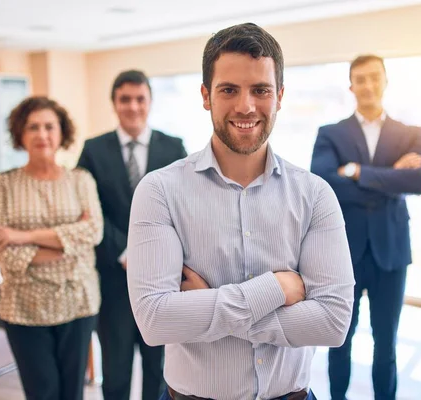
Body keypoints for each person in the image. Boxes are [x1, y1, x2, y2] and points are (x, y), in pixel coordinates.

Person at [126, 23, 355, 400]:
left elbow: (332, 323)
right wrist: (276, 289)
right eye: (229, 89)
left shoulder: (315, 195)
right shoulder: (159, 191)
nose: (245, 106)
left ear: (279, 96)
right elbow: (155, 321)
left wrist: (209, 305)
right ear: (206, 95)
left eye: (260, 90)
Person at [310, 54, 421, 400]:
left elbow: (419, 180)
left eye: (374, 78)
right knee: (340, 339)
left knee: (386, 344)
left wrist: (358, 172)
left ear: (385, 81)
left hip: (391, 252)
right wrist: (392, 177)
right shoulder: (330, 133)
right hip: (345, 251)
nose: (368, 85)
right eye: (360, 79)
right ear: (351, 86)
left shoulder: (410, 134)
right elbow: (325, 183)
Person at [76, 69, 187, 400]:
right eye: (125, 99)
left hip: (161, 281)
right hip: (113, 280)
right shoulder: (93, 150)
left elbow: (183, 210)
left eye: (140, 99)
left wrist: (153, 257)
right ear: (114, 103)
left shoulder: (174, 148)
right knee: (116, 370)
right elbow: (89, 212)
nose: (133, 106)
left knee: (158, 367)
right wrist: (126, 253)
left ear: (150, 102)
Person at [0, 96, 103, 400]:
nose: (42, 134)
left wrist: (23, 236)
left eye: (49, 126)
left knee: (72, 393)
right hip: (24, 308)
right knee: (43, 392)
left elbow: (93, 232)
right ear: (20, 135)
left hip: (77, 301)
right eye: (33, 127)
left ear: (61, 132)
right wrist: (66, 243)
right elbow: (4, 251)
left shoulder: (81, 180)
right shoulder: (5, 184)